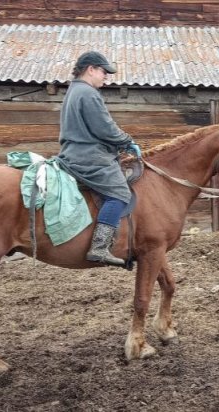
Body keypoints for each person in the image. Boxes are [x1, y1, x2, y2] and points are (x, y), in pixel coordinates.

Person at [56, 51, 142, 266]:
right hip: (90, 157)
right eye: (103, 71)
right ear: (91, 69)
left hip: (73, 153)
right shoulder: (88, 93)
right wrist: (126, 141)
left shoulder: (74, 91)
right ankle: (100, 247)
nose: (106, 76)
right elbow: (104, 128)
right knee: (120, 193)